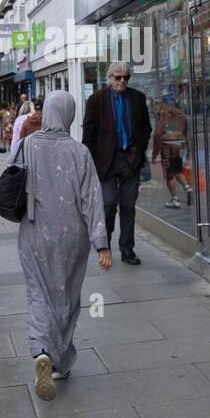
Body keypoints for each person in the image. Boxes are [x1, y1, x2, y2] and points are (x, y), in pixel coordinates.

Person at [15, 91, 112, 400]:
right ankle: (60, 360)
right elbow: (92, 200)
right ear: (69, 114)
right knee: (67, 298)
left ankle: (40, 350)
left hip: (34, 233)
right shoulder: (80, 152)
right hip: (72, 238)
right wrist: (102, 244)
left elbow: (10, 176)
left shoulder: (28, 144)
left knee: (38, 294)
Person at [82, 61, 151, 265]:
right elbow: (89, 133)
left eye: (125, 77)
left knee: (128, 205)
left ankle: (127, 249)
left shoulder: (137, 98)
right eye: (117, 77)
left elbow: (146, 128)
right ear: (109, 78)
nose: (122, 81)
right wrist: (91, 162)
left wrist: (138, 150)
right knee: (108, 203)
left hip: (130, 160)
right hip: (106, 162)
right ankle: (106, 245)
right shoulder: (96, 100)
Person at [152, 96, 192, 209]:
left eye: (160, 104)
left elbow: (157, 135)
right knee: (177, 170)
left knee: (169, 175)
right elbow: (186, 133)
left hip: (167, 149)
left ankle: (175, 199)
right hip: (179, 148)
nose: (158, 106)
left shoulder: (163, 116)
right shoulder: (182, 116)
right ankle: (188, 188)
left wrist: (155, 154)